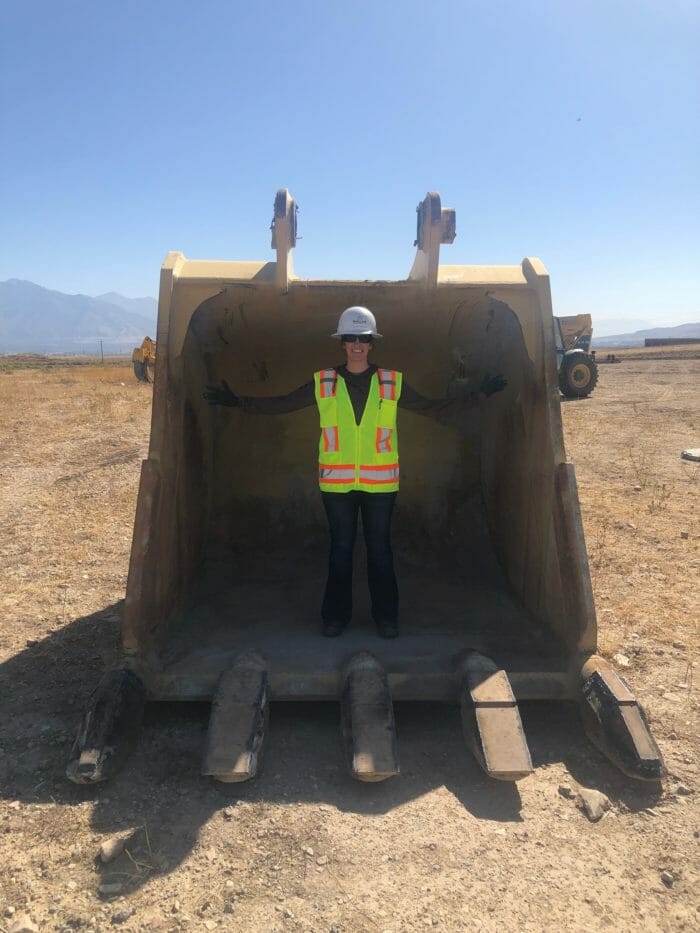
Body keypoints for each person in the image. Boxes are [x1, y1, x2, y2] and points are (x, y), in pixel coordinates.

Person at [203, 306, 506, 639]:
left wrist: (480, 395)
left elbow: (435, 408)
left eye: (363, 338)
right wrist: (239, 402)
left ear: (371, 343)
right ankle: (335, 617)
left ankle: (386, 618)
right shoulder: (325, 381)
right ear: (342, 343)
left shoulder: (391, 381)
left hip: (381, 485)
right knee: (341, 550)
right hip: (337, 485)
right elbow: (282, 403)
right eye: (351, 338)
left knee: (380, 550)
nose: (357, 345)